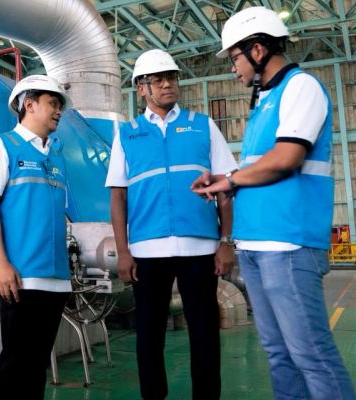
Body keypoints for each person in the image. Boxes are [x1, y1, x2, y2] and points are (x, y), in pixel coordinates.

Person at [193, 7, 356, 399]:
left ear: (258, 50)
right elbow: (257, 167)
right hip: (255, 242)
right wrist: (226, 180)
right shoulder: (264, 102)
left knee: (311, 353)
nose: (232, 68)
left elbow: (286, 158)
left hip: (288, 243)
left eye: (234, 57)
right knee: (279, 354)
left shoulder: (300, 88)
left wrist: (231, 180)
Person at [106, 49, 237, 400]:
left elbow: (226, 187)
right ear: (141, 88)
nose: (168, 84)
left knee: (205, 332)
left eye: (172, 77)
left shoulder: (202, 125)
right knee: (149, 335)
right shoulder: (127, 134)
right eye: (158, 79)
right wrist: (123, 251)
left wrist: (226, 242)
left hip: (201, 247)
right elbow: (118, 197)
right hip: (147, 251)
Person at [0, 74, 72, 400]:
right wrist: (0, 263)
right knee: (15, 365)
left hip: (56, 279)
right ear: (29, 104)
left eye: (59, 106)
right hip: (21, 277)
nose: (58, 111)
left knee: (36, 366)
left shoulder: (56, 156)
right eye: (52, 103)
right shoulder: (1, 147)